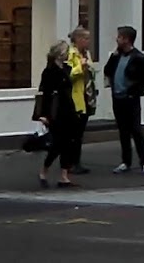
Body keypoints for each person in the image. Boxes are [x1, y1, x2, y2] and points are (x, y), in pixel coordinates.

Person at [104, 25, 144, 176]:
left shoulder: (139, 58)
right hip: (118, 98)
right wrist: (113, 56)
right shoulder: (117, 56)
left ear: (126, 39)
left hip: (130, 99)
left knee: (136, 130)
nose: (117, 39)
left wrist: (134, 92)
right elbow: (107, 71)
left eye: (119, 37)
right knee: (123, 131)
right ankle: (126, 161)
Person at [35, 40, 79, 188]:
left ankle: (64, 176)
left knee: (69, 143)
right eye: (66, 51)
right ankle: (44, 170)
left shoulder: (67, 68)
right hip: (56, 111)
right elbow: (45, 94)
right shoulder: (49, 71)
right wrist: (44, 115)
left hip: (68, 109)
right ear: (59, 53)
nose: (68, 54)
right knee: (57, 143)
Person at [65, 27, 97, 174]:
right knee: (73, 133)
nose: (88, 42)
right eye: (86, 39)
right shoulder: (70, 54)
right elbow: (68, 74)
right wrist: (81, 66)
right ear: (78, 39)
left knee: (79, 133)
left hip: (86, 96)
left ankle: (76, 162)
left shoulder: (86, 54)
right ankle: (70, 163)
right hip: (75, 97)